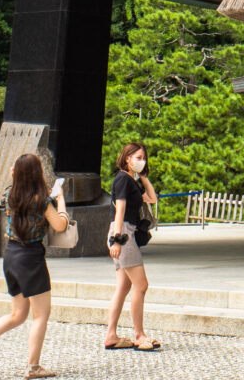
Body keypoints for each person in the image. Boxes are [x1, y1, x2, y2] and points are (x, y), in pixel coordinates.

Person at [0, 153, 69, 377]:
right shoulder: (42, 201)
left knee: (18, 314)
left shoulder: (10, 194)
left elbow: (19, 185)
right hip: (30, 258)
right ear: (37, 173)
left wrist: (18, 174)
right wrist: (59, 199)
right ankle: (33, 366)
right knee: (40, 315)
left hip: (11, 255)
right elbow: (60, 225)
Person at [102, 142, 159, 353]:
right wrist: (117, 239)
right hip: (124, 232)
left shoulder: (131, 181)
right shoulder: (123, 180)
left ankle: (111, 335)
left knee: (124, 287)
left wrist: (143, 176)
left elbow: (152, 198)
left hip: (127, 231)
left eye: (143, 157)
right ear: (127, 158)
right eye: (137, 157)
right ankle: (139, 334)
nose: (141, 160)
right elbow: (120, 211)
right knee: (141, 284)